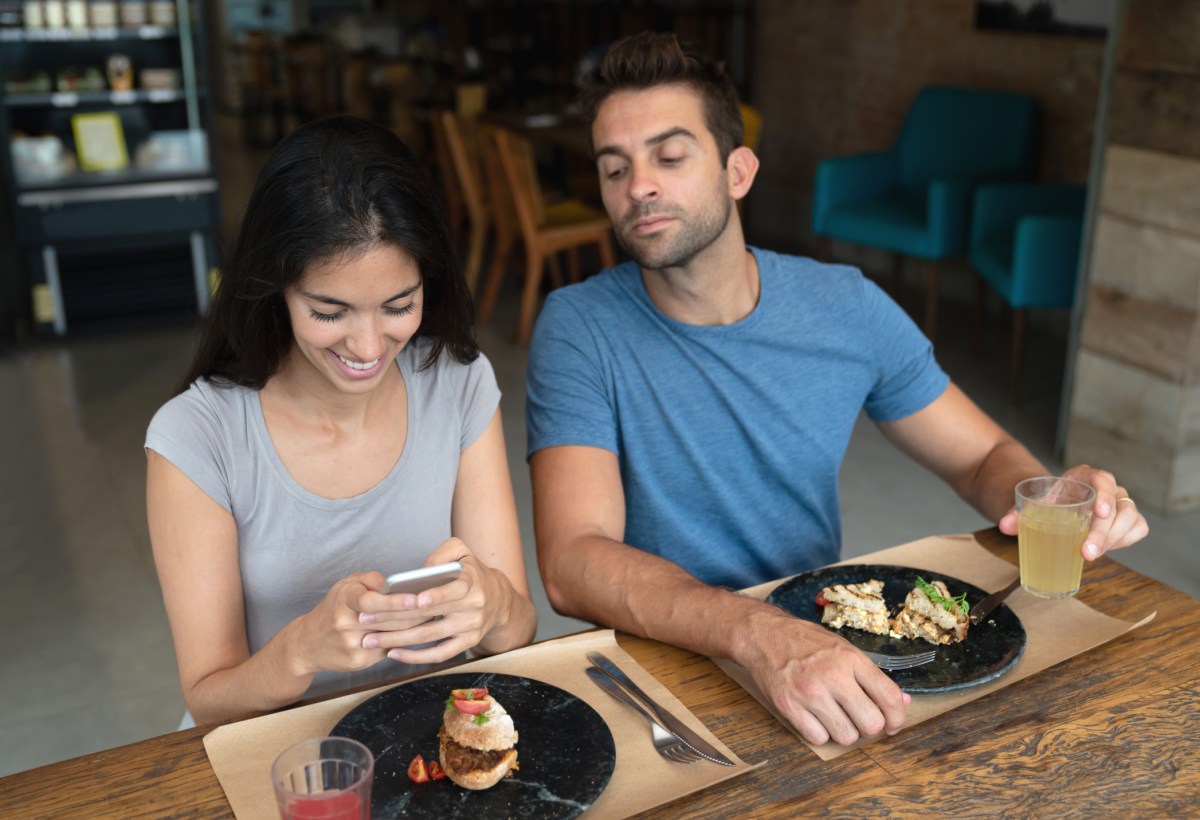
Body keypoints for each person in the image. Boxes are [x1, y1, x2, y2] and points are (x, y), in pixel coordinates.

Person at [525, 32, 1148, 747]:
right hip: (665, 662)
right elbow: (574, 560)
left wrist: (1056, 502)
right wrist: (756, 632)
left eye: (669, 156)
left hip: (824, 649)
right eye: (614, 169)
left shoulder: (845, 306)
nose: (639, 187)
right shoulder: (579, 326)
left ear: (738, 171)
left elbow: (981, 460)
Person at [146, 117, 536, 727]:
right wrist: (300, 650)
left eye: (399, 306)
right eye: (330, 311)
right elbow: (207, 697)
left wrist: (492, 608)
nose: (368, 345)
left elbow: (517, 630)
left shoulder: (457, 382)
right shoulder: (199, 436)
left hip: (427, 738)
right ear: (274, 287)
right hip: (280, 754)